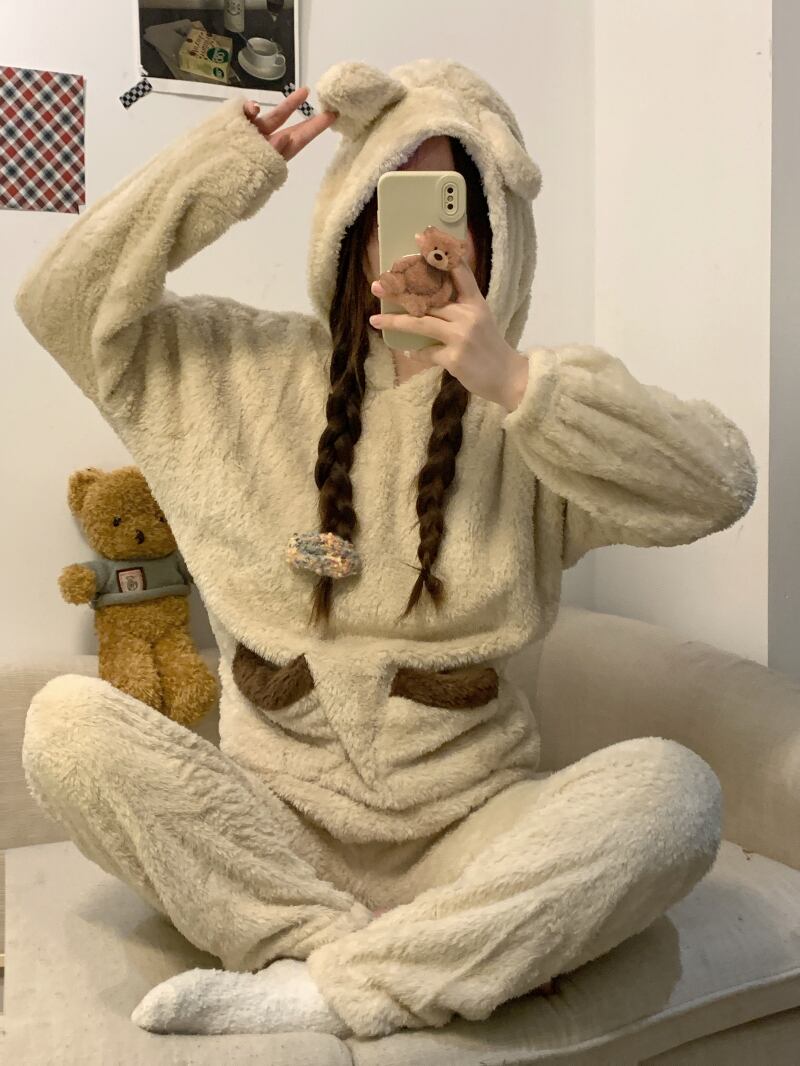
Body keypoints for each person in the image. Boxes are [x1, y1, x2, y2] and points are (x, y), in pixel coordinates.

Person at [14, 58, 757, 1041]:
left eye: (455, 206)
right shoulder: (239, 375)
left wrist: (514, 382)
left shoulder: (530, 404)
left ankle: (323, 984)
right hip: (267, 829)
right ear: (351, 220)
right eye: (396, 198)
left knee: (676, 796)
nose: (426, 236)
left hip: (467, 835)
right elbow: (59, 306)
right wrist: (223, 166)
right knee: (64, 724)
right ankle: (352, 951)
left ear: (496, 238)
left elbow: (717, 484)